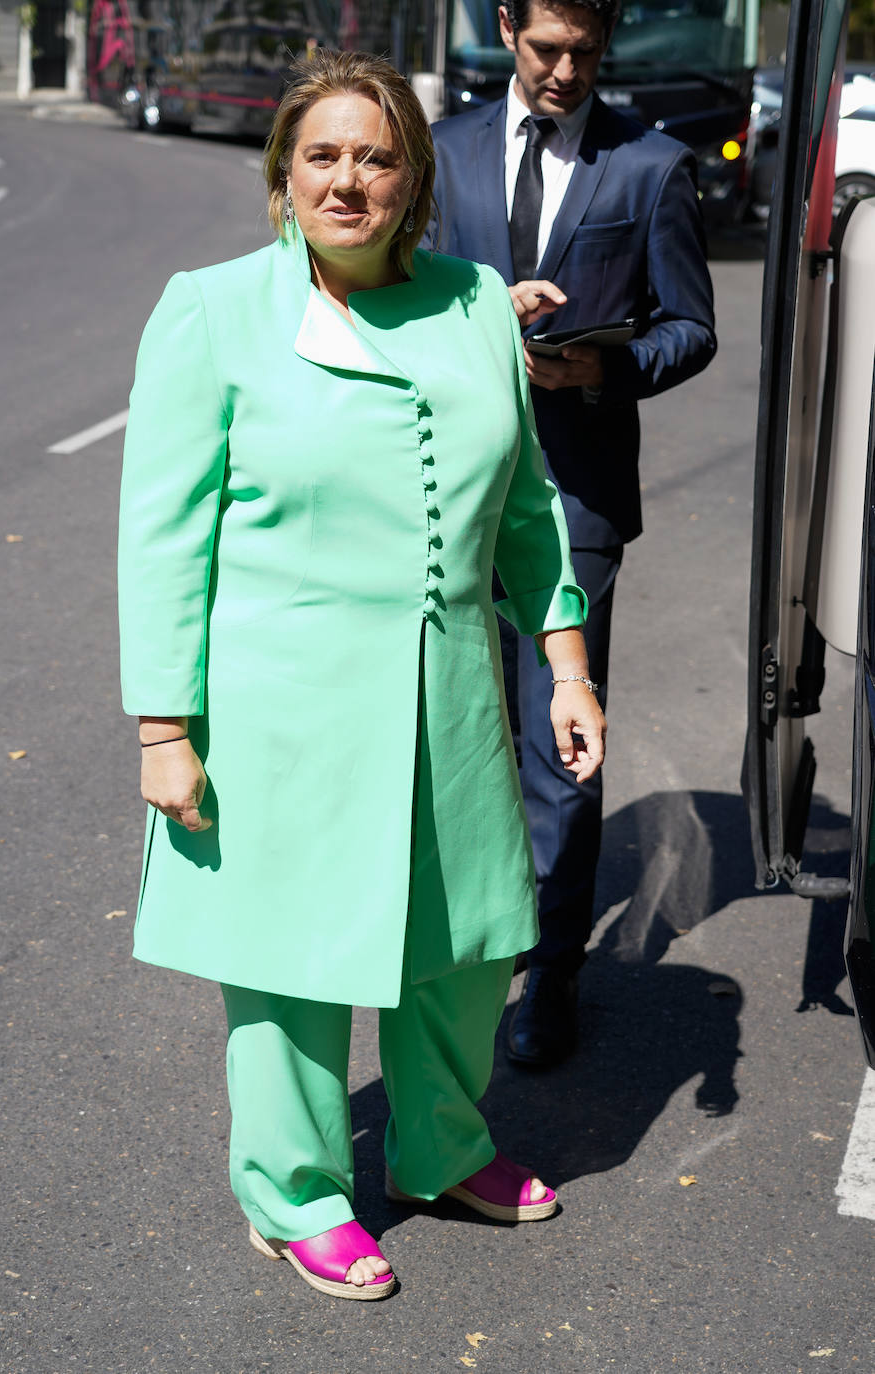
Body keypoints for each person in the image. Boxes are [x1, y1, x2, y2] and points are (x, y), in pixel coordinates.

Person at [118, 49, 606, 1302]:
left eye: (375, 157)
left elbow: (526, 510)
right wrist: (162, 727)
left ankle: (441, 1151)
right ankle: (294, 1194)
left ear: (414, 182)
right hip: (282, 707)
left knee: (463, 945)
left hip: (446, 695)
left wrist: (562, 660)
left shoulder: (470, 302)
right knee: (287, 964)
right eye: (322, 156)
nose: (349, 180)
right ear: (284, 176)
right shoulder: (216, 309)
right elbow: (162, 531)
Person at [428, 0, 717, 1068]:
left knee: (560, 746)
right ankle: (469, 940)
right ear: (505, 25)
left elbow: (691, 328)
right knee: (458, 735)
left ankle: (550, 976)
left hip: (577, 495)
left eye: (586, 55)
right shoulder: (443, 150)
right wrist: (476, 319)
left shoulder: (647, 165)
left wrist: (610, 364)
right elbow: (382, 294)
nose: (564, 72)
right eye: (547, 49)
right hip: (442, 492)